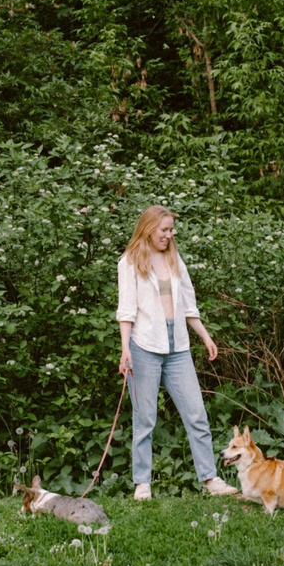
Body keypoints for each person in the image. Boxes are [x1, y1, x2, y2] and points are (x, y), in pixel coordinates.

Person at [115, 206, 234, 501]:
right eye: (164, 230)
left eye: (171, 230)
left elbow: (188, 305)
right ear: (148, 229)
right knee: (145, 418)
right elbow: (126, 311)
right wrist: (125, 349)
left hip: (178, 346)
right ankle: (142, 484)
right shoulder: (129, 262)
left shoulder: (174, 258)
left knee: (196, 414)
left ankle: (210, 478)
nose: (169, 235)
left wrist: (205, 336)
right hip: (144, 345)